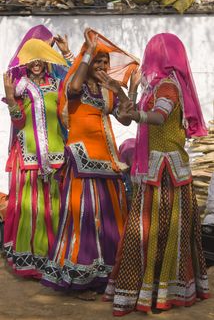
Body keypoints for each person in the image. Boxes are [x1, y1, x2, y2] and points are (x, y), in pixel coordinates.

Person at [101, 33, 209, 315]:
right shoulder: (155, 88)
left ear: (158, 57)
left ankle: (161, 292)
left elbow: (158, 118)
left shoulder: (169, 87)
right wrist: (124, 91)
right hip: (155, 170)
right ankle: (151, 290)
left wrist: (135, 110)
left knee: (163, 229)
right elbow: (129, 115)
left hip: (166, 172)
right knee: (148, 230)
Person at [41, 28, 139, 299]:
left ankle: (107, 276)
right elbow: (71, 88)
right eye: (98, 61)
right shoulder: (78, 82)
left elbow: (126, 118)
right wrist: (85, 54)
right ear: (87, 60)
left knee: (110, 216)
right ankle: (80, 279)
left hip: (107, 159)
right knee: (84, 216)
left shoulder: (108, 88)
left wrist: (129, 88)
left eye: (105, 62)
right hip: (82, 157)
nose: (103, 66)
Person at [3, 38, 68, 278]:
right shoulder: (21, 86)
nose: (37, 63)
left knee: (56, 207)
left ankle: (57, 257)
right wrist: (10, 99)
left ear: (47, 60)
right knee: (34, 209)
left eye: (41, 58)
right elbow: (18, 121)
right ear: (26, 62)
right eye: (32, 59)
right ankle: (34, 260)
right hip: (30, 155)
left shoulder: (57, 84)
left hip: (57, 154)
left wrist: (67, 53)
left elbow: (74, 87)